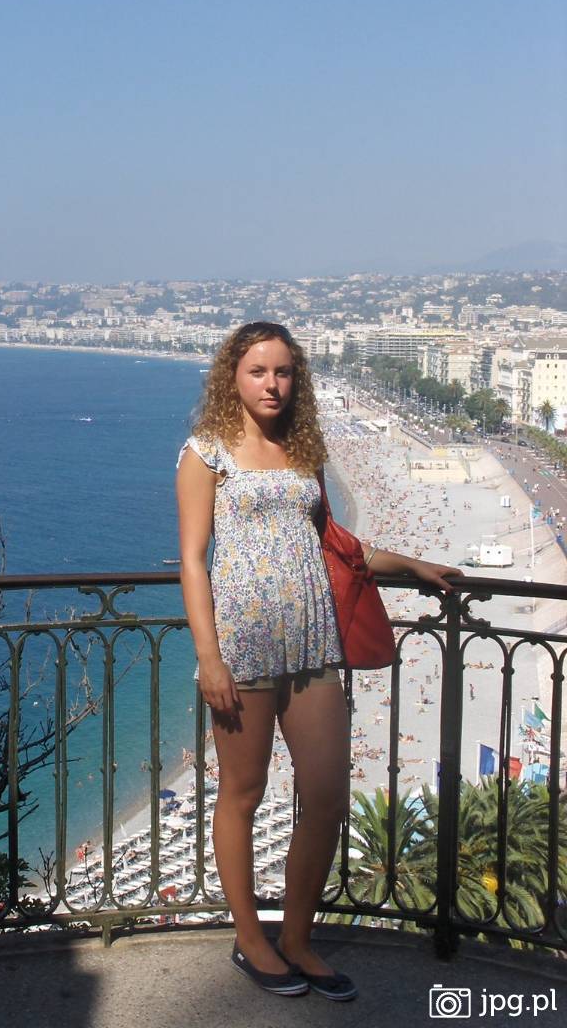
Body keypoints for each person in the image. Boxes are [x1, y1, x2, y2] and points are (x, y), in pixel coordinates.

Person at [175, 321, 461, 1001]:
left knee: (327, 795)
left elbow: (335, 544)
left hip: (312, 640)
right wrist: (209, 658)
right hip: (242, 645)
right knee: (242, 794)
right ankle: (252, 938)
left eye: (282, 372)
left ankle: (298, 939)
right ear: (232, 377)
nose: (272, 384)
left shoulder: (303, 451)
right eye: (257, 371)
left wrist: (414, 565)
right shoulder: (205, 452)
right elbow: (191, 559)